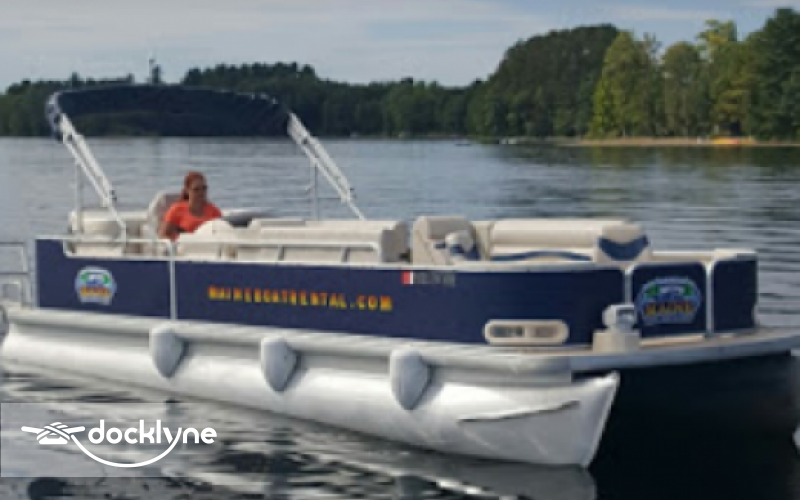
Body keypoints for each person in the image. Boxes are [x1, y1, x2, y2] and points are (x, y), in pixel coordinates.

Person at [159, 171, 222, 241]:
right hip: (183, 246)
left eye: (204, 188)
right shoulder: (176, 210)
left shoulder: (214, 211)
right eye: (196, 189)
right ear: (187, 190)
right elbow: (163, 235)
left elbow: (222, 234)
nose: (201, 192)